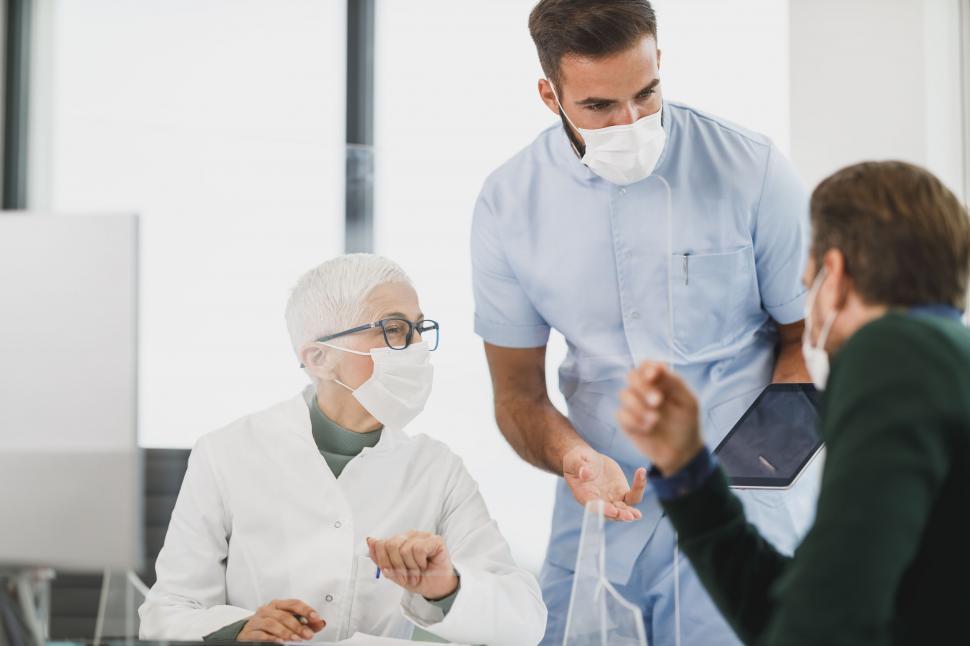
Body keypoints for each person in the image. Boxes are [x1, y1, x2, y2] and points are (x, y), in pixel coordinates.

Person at [471, 1, 816, 643]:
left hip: (742, 498)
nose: (630, 122)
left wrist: (764, 469)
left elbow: (812, 339)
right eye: (599, 106)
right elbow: (516, 393)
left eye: (646, 93)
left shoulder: (752, 168)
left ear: (660, 63)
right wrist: (574, 458)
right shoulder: (508, 204)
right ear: (550, 96)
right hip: (602, 508)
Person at [618, 161, 970, 645]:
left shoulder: (891, 350)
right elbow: (800, 610)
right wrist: (688, 471)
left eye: (808, 284)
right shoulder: (943, 367)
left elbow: (822, 624)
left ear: (835, 276)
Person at [139, 254, 547, 645]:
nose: (418, 347)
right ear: (320, 358)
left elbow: (525, 621)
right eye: (394, 329)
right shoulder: (226, 452)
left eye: (420, 329)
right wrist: (241, 629)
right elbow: (166, 613)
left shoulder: (437, 469)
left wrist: (447, 587)